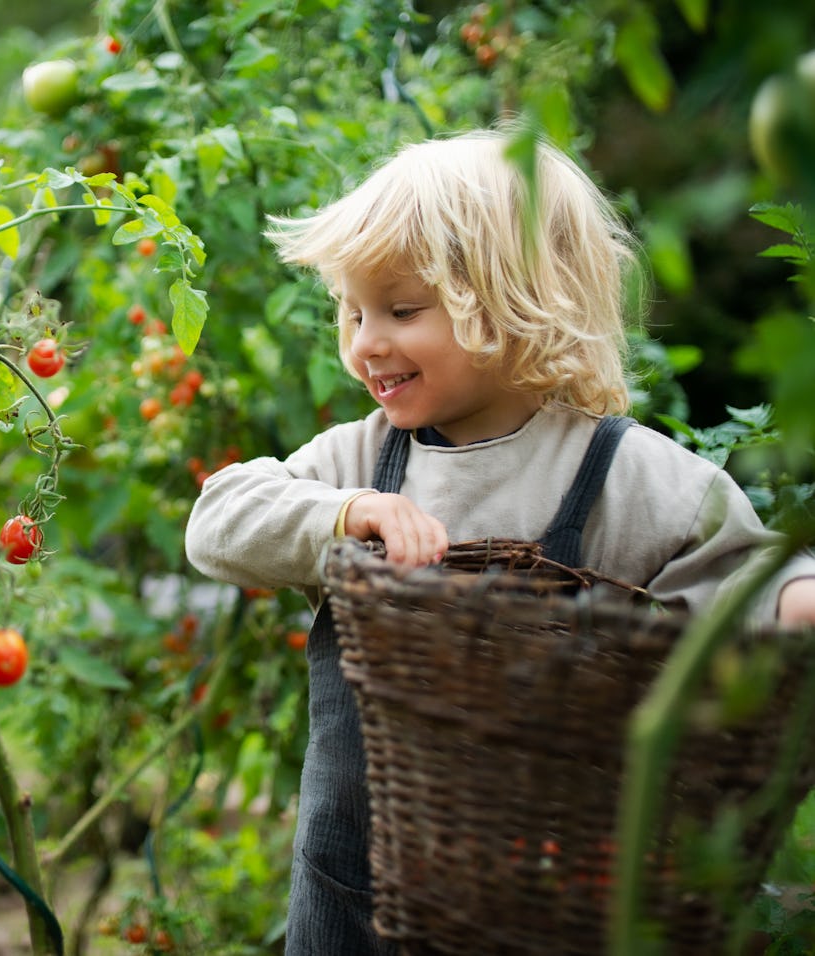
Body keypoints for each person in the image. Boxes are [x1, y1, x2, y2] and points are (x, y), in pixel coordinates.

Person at [184, 128, 815, 954]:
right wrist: (344, 513)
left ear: (517, 300)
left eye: (403, 310)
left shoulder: (618, 470)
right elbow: (220, 520)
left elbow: (741, 569)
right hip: (352, 886)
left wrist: (792, 597)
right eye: (353, 310)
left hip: (538, 897)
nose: (366, 341)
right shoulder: (362, 457)